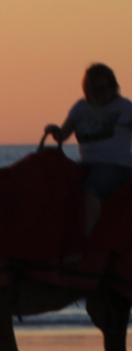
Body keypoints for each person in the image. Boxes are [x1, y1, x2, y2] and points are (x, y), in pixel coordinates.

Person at [47, 62, 130, 240]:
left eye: (110, 86)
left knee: (89, 191)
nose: (106, 91)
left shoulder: (124, 107)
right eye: (100, 88)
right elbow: (63, 135)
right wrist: (54, 131)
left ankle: (81, 240)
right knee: (56, 185)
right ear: (89, 89)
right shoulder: (81, 107)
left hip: (115, 164)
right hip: (87, 162)